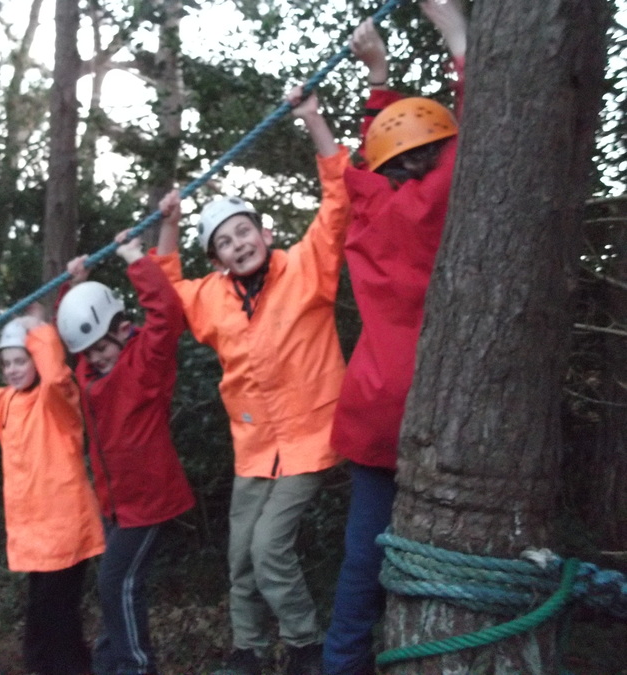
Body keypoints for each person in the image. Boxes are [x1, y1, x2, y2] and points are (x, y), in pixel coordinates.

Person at [151, 84, 349, 675]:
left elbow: (338, 200)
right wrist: (170, 222)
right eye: (223, 243)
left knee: (268, 550)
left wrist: (311, 117)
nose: (237, 245)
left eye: (243, 232)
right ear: (216, 259)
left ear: (263, 233)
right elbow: (164, 293)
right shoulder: (210, 298)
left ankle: (305, 643)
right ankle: (248, 649)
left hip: (312, 438)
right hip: (254, 444)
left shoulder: (307, 269)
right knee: (240, 555)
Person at [321, 3, 468, 674]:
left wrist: (378, 75)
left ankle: (342, 663)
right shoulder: (434, 201)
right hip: (436, 406)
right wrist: (455, 34)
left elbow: (365, 160)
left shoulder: (370, 208)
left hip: (374, 408)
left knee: (363, 556)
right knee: (445, 548)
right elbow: (477, 131)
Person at [57, 230, 196, 675]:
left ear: (122, 331)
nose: (96, 359)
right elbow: (78, 341)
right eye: (88, 353)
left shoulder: (144, 363)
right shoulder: (90, 374)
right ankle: (107, 662)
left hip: (150, 501)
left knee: (117, 582)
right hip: (115, 505)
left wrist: (137, 260)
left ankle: (136, 666)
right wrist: (74, 287)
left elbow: (167, 312)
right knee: (112, 587)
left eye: (102, 348)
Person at [0, 307, 105, 675]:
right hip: (34, 536)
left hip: (65, 532)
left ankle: (53, 667)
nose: (13, 370)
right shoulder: (7, 404)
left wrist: (40, 331)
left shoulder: (56, 402)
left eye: (20, 361)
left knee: (50, 621)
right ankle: (66, 666)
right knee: (52, 619)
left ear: (36, 359)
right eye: (6, 364)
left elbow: (56, 377)